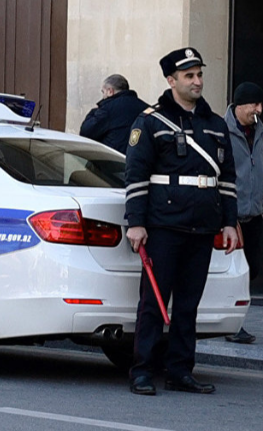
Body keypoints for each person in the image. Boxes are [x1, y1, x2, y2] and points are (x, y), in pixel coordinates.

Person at [124, 47, 239, 395]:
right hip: (163, 226)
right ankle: (143, 370)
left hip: (202, 227)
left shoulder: (216, 125)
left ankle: (180, 370)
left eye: (199, 74)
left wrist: (230, 223)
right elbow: (136, 174)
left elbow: (228, 179)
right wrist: (135, 222)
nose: (197, 81)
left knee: (188, 305)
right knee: (153, 303)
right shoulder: (150, 121)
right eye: (189, 76)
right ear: (171, 80)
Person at [224, 82, 263, 344]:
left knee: (253, 268)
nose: (259, 109)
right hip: (232, 216)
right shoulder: (220, 130)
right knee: (234, 271)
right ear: (239, 105)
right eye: (254, 104)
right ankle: (232, 324)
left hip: (256, 214)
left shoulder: (261, 130)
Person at [80, 74, 149, 153]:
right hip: (140, 160)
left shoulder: (107, 110)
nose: (103, 96)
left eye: (103, 92)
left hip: (114, 160)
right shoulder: (145, 108)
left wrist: (94, 112)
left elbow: (86, 132)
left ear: (110, 91)